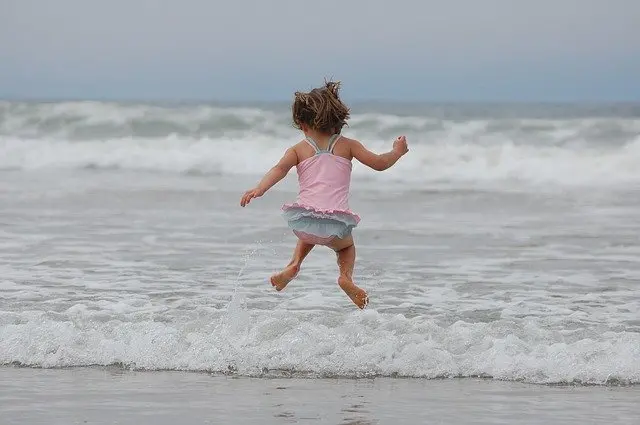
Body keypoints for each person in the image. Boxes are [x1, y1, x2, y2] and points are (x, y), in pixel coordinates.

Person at [240, 80, 408, 309]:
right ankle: (346, 278)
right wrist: (397, 152)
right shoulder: (349, 145)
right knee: (346, 247)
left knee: (310, 227)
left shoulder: (298, 149)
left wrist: (259, 188)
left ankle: (294, 265)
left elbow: (279, 169)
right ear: (338, 120)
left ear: (302, 124)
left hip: (305, 221)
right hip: (335, 224)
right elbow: (379, 164)